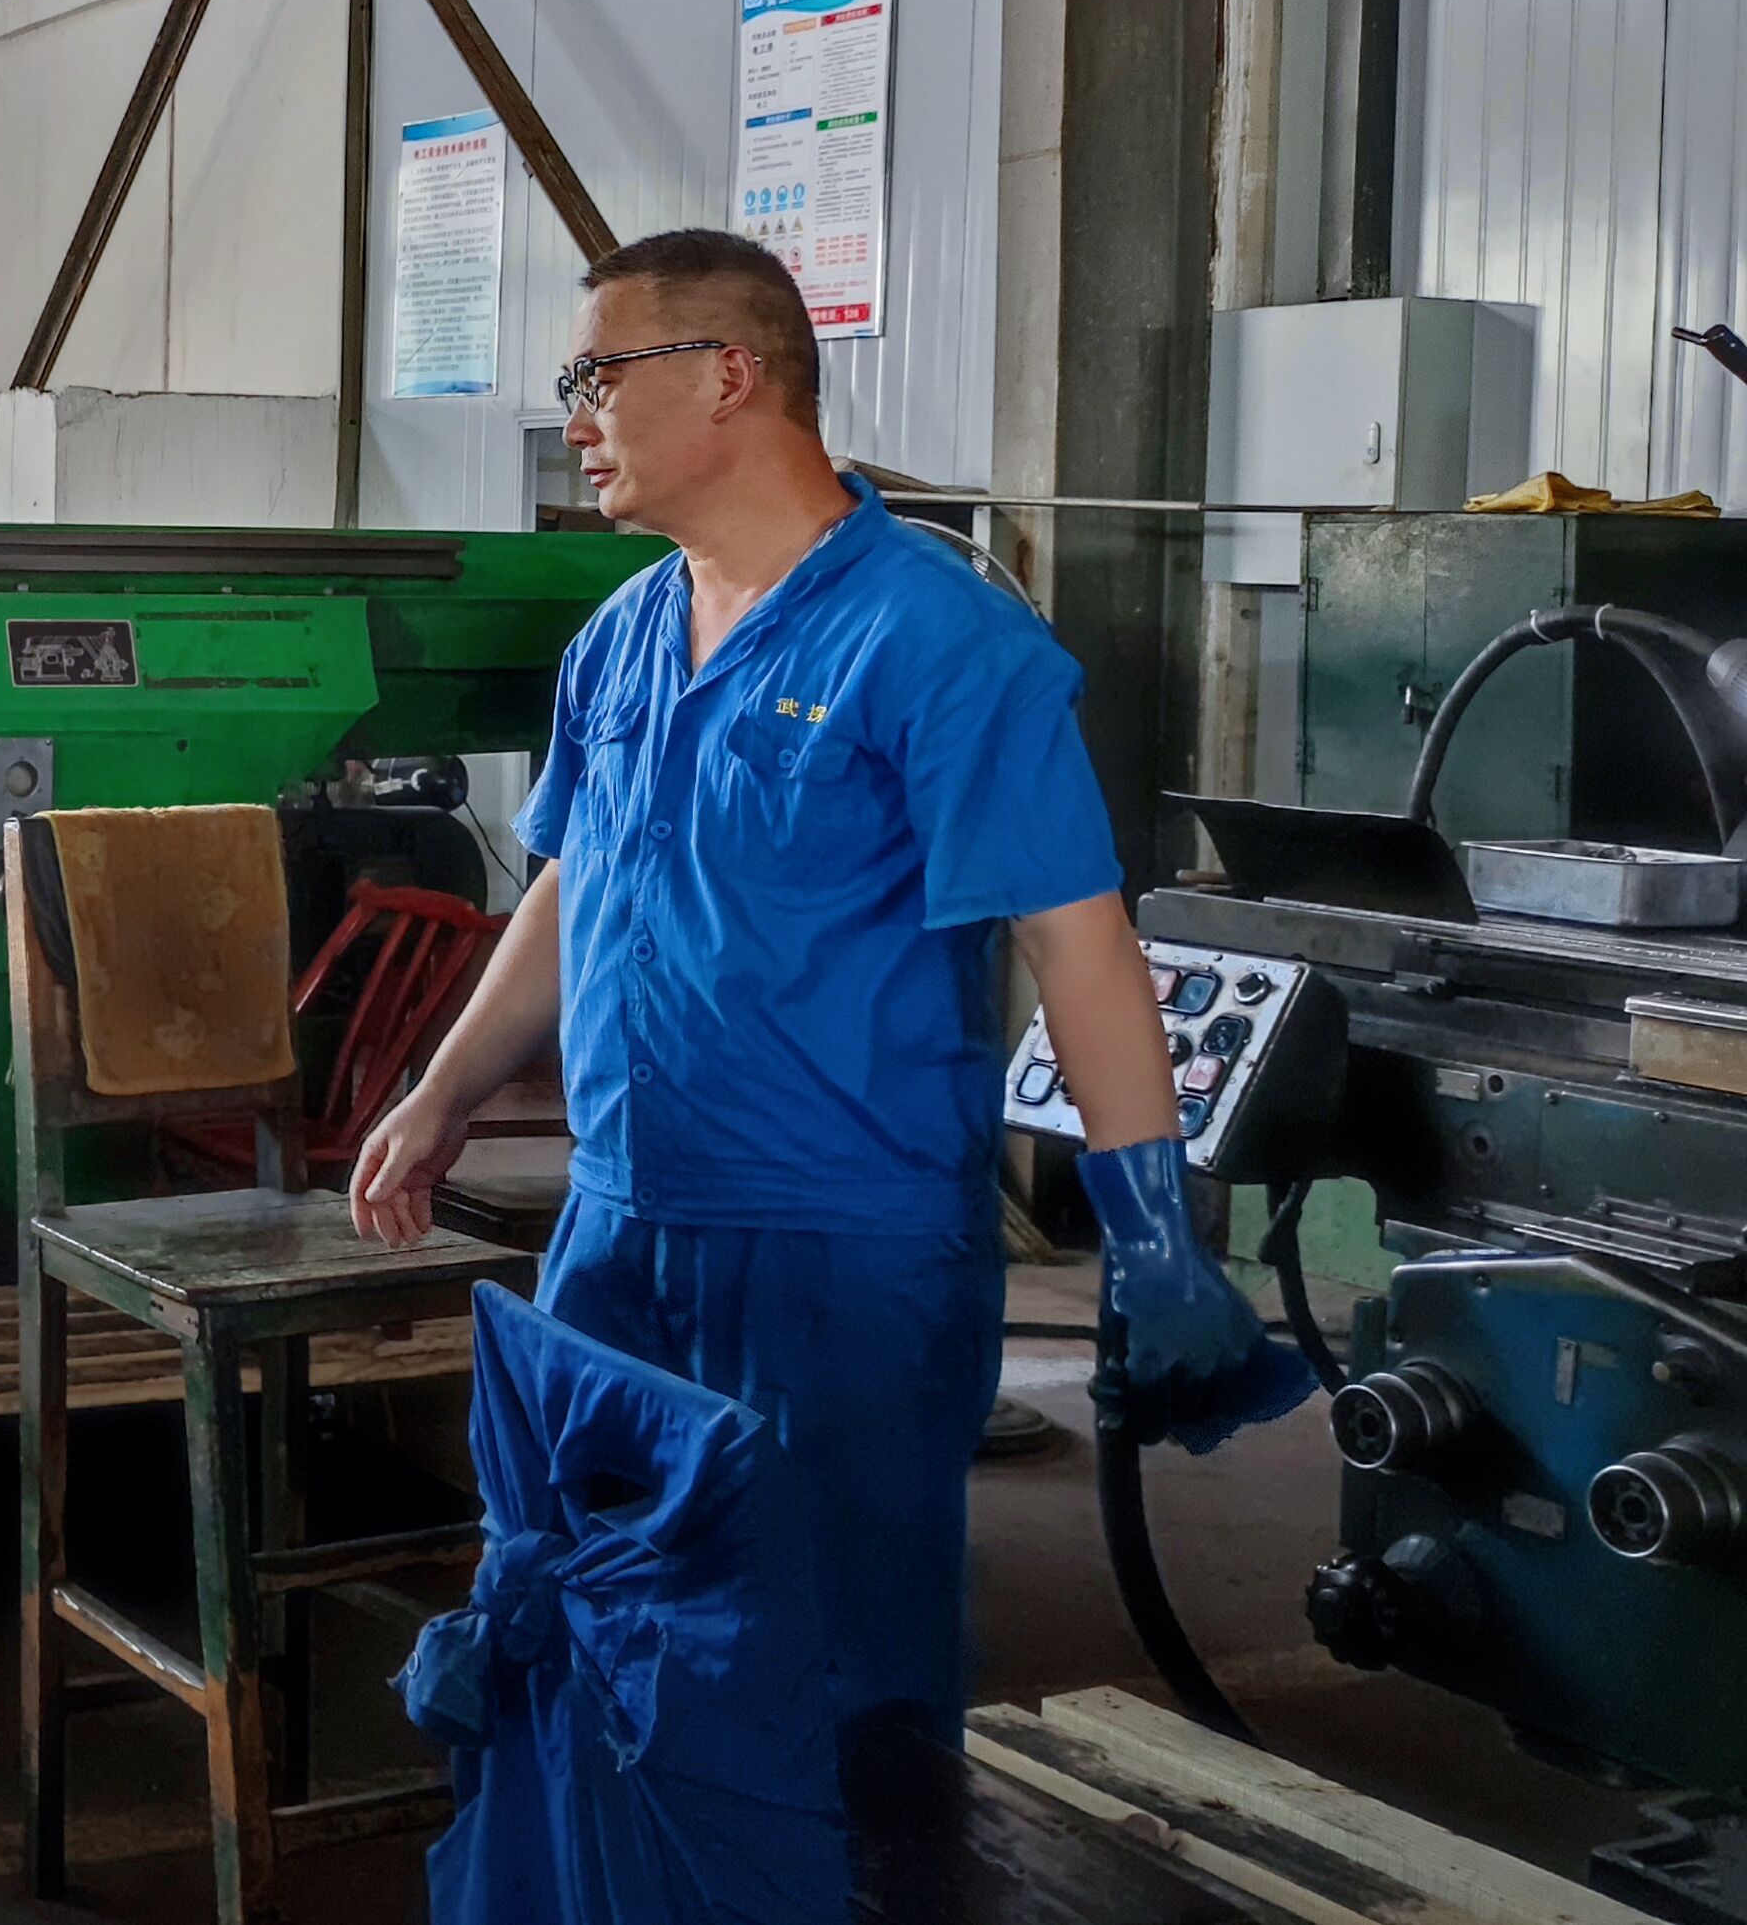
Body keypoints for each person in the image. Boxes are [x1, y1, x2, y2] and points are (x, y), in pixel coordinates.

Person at [351, 230, 1309, 1786]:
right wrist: (443, 1090)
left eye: (597, 373)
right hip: (623, 1217)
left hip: (838, 1249)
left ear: (728, 375)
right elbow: (574, 886)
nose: (575, 415)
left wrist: (1148, 1228)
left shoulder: (940, 640)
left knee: (832, 1692)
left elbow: (1079, 946)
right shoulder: (621, 639)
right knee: (600, 1641)